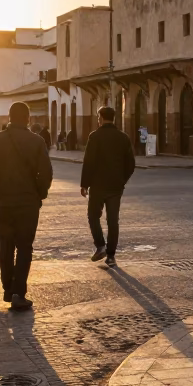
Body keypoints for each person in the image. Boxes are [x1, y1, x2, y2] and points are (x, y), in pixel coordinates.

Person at [0, 102, 51, 311]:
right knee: (25, 247)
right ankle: (19, 291)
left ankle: (8, 287)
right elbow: (46, 173)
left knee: (6, 245)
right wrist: (39, 194)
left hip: (3, 204)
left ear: (9, 118)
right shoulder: (36, 141)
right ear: (28, 118)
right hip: (28, 203)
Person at [81, 107, 135, 267]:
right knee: (113, 221)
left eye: (98, 117)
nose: (98, 120)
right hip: (115, 186)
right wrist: (121, 180)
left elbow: (88, 162)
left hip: (97, 185)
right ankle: (111, 256)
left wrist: (84, 184)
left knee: (93, 216)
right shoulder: (123, 137)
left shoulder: (95, 136)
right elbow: (131, 164)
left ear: (101, 118)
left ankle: (100, 246)